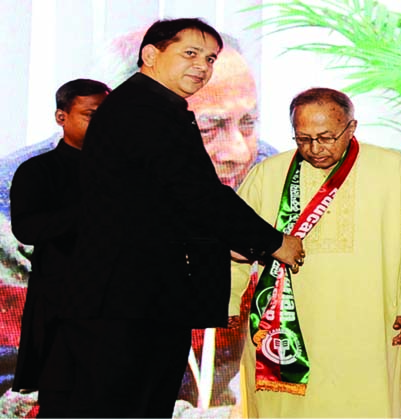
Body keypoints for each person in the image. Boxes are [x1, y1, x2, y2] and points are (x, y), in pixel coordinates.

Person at [35, 18, 301, 418]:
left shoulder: (151, 107)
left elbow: (158, 201)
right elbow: (199, 194)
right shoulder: (146, 110)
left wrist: (221, 241)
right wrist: (274, 243)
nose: (202, 66)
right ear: (151, 55)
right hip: (127, 301)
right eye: (190, 53)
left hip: (137, 296)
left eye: (210, 58)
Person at [230, 87, 401, 417]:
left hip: (370, 326)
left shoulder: (394, 170)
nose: (315, 149)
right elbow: (235, 243)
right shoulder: (268, 174)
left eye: (326, 137)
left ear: (351, 128)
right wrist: (227, 301)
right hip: (287, 333)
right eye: (303, 138)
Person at [9, 79, 110, 397]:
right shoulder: (37, 170)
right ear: (61, 117)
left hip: (119, 302)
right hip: (62, 305)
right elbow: (26, 230)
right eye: (91, 114)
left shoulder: (127, 172)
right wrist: (95, 209)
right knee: (64, 399)